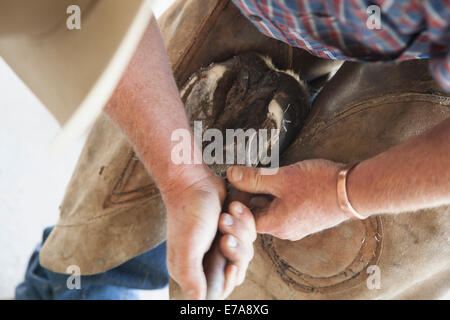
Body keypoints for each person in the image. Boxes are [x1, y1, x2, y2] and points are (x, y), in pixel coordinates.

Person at [16, 0, 450, 299]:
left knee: (303, 274)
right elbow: (84, 19)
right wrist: (181, 179)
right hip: (276, 11)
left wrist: (345, 193)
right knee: (114, 234)